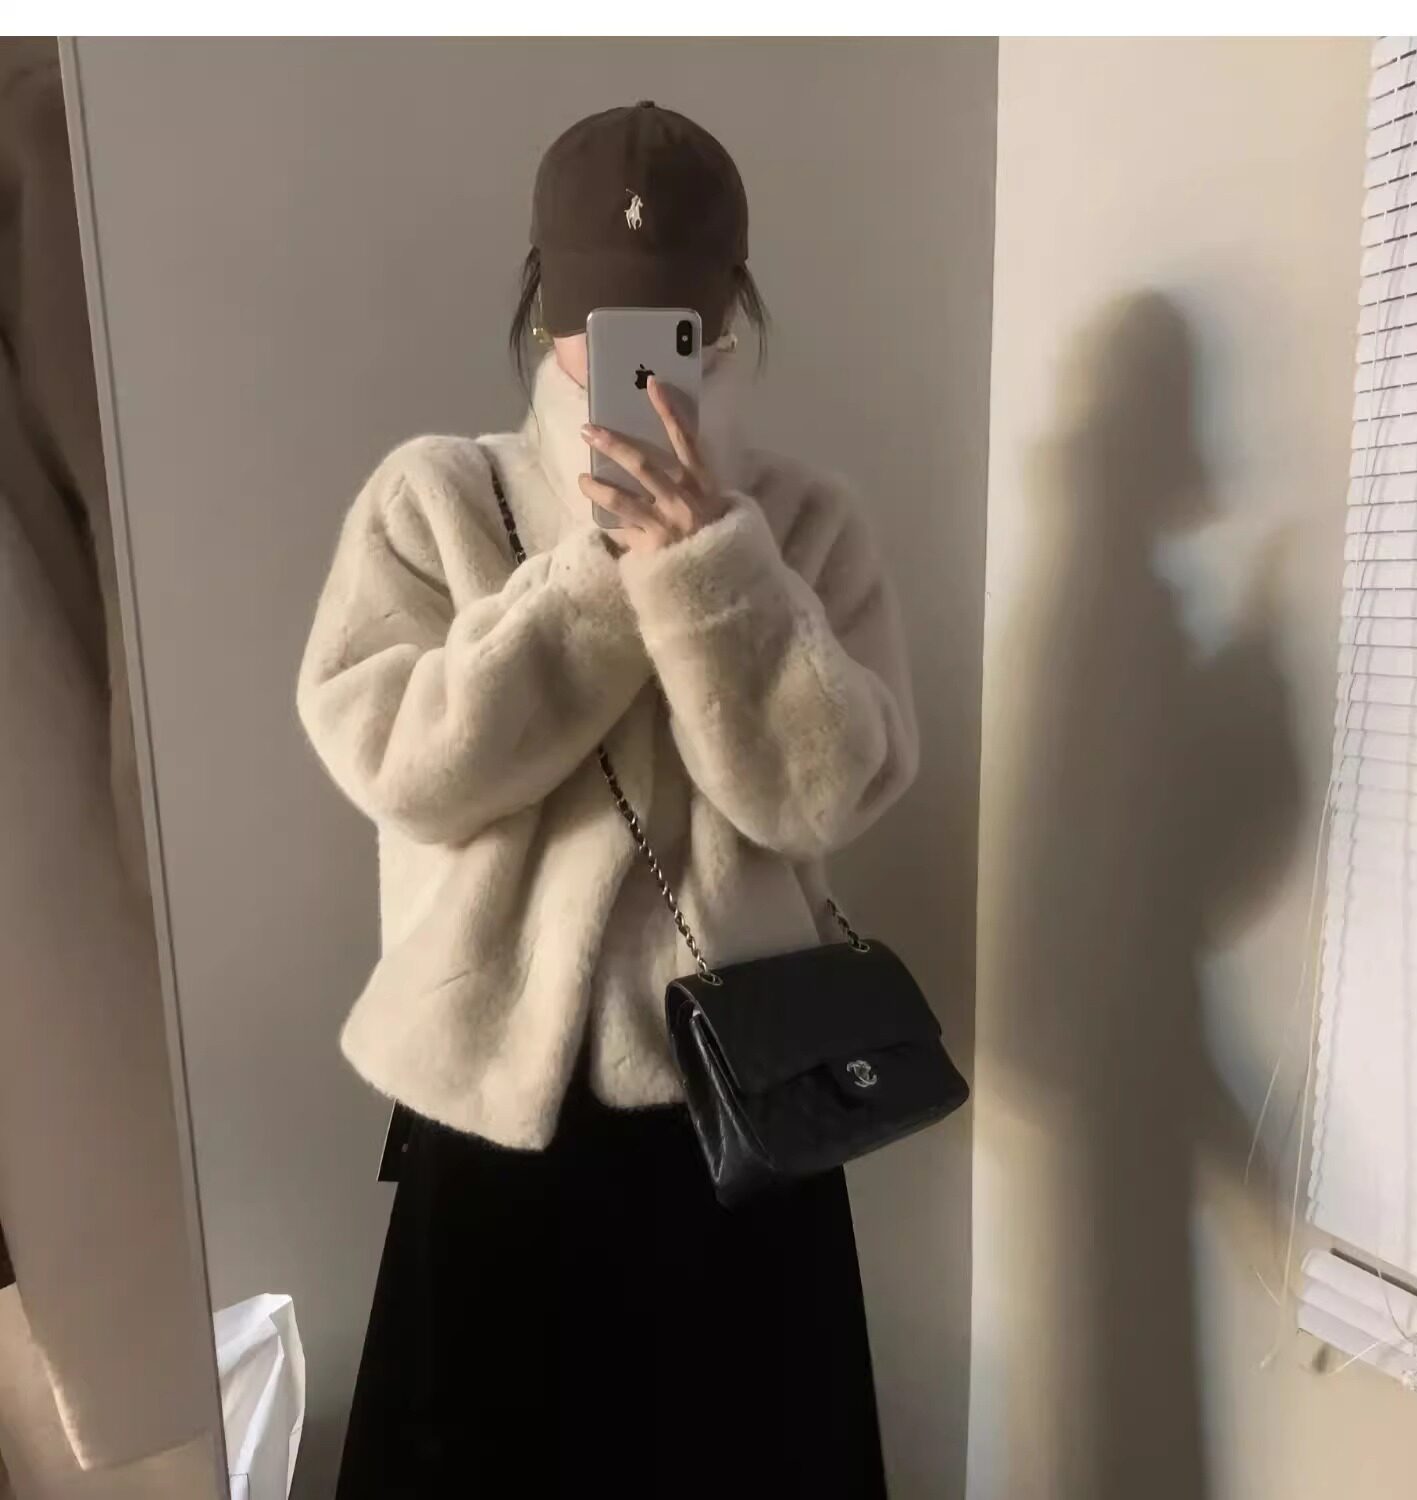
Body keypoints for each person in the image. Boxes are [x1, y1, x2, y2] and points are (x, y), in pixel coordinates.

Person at [298, 101, 917, 1498]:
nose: (630, 358)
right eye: (599, 319)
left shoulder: (806, 525)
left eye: (672, 322)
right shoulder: (436, 498)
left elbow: (823, 799)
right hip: (492, 1123)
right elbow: (405, 769)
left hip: (742, 1126)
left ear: (729, 315)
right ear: (542, 309)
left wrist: (713, 569)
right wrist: (592, 575)